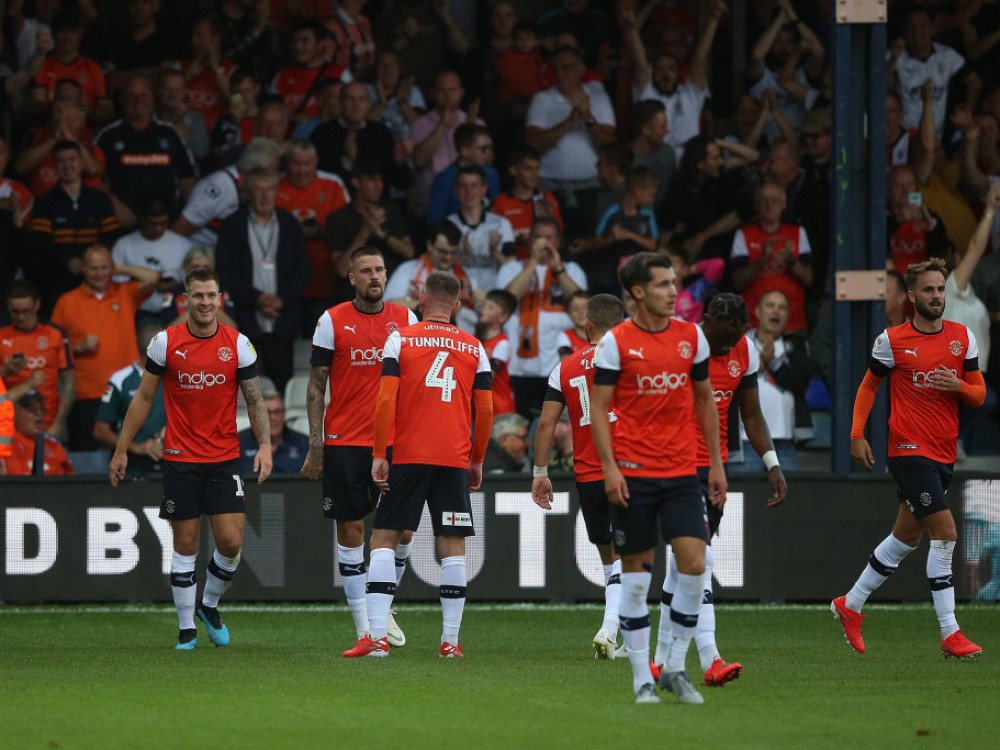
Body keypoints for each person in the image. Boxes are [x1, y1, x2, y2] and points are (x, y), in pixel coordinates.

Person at [109, 266, 272, 649]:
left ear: (220, 299)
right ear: (185, 300)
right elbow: (144, 397)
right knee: (185, 544)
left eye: (211, 295)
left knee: (230, 543)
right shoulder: (165, 343)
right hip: (181, 458)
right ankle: (186, 629)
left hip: (224, 457)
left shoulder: (238, 344)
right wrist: (121, 448)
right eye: (198, 295)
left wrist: (265, 445)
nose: (205, 302)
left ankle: (208, 604)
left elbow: (254, 399)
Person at [589, 252, 726, 705]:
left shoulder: (692, 337)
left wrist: (715, 465)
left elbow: (704, 400)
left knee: (694, 565)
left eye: (673, 282)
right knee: (635, 580)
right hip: (633, 476)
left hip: (683, 472)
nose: (673, 291)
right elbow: (599, 409)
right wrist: (610, 467)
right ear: (638, 292)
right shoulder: (616, 343)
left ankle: (674, 667)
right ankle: (640, 680)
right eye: (664, 284)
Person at [834, 257, 986, 660]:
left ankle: (850, 604)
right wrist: (856, 434)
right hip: (907, 451)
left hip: (942, 453)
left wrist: (958, 386)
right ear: (912, 297)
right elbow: (868, 387)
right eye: (929, 290)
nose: (937, 296)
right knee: (946, 532)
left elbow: (979, 394)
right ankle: (951, 632)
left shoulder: (962, 337)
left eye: (940, 289)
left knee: (906, 538)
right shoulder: (892, 340)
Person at [341, 270, 494, 658]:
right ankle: (451, 643)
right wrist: (477, 459)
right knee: (453, 546)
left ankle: (376, 638)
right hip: (454, 459)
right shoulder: (475, 347)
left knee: (384, 539)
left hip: (409, 455)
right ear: (456, 305)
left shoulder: (400, 339)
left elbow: (385, 400)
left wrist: (379, 453)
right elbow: (486, 410)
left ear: (422, 299)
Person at [649, 292, 787, 688]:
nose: (727, 347)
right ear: (705, 321)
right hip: (674, 468)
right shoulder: (678, 347)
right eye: (722, 338)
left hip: (713, 470)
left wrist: (772, 463)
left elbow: (751, 414)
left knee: (684, 566)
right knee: (701, 560)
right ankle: (711, 658)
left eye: (734, 339)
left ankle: (660, 661)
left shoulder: (743, 350)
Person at [300, 246, 417, 650]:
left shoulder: (406, 319)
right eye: (365, 271)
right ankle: (365, 628)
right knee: (351, 531)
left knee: (404, 530)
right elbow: (316, 385)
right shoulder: (332, 320)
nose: (374, 276)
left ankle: (383, 606)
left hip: (395, 440)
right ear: (351, 278)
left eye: (379, 269)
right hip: (345, 441)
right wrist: (316, 444)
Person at [532, 292, 626, 658]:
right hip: (626, 469)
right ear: (623, 325)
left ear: (588, 326)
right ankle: (610, 628)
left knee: (609, 557)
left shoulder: (565, 367)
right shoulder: (632, 357)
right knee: (630, 556)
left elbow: (546, 424)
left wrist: (540, 471)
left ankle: (614, 633)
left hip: (587, 475)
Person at [51, 244, 159, 450]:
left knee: (129, 453)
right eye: (93, 268)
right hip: (86, 394)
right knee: (87, 458)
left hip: (125, 391)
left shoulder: (124, 292)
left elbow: (153, 278)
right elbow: (52, 347)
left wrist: (119, 269)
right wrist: (79, 347)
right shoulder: (67, 301)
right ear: (83, 268)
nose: (99, 274)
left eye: (104, 268)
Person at [214, 168, 310, 395]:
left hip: (282, 317)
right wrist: (256, 298)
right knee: (248, 386)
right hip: (246, 318)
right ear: (247, 194)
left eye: (270, 189)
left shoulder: (289, 223)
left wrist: (281, 300)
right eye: (259, 190)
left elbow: (303, 270)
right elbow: (224, 272)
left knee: (282, 386)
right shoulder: (232, 225)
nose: (265, 196)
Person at [498, 218, 586, 419]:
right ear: (529, 240)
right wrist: (532, 263)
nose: (544, 243)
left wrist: (558, 269)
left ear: (558, 241)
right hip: (517, 367)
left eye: (549, 238)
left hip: (557, 366)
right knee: (518, 423)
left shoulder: (572, 269)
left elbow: (581, 303)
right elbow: (506, 302)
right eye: (538, 237)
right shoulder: (511, 268)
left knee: (554, 426)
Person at [525, 46, 616, 239]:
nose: (560, 74)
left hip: (591, 190)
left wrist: (587, 117)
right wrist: (569, 122)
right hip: (550, 189)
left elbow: (609, 144)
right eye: (555, 69)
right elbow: (533, 144)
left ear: (581, 69)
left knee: (589, 243)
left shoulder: (599, 99)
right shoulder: (542, 99)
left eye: (566, 68)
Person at [623, 0, 722, 162]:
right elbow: (641, 64)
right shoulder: (647, 94)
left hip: (689, 164)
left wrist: (713, 20)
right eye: (660, 69)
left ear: (679, 74)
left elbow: (700, 59)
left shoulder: (690, 94)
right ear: (653, 74)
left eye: (671, 69)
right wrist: (632, 29)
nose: (665, 73)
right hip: (654, 162)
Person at [30, 140, 119, 312]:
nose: (67, 165)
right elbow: (40, 245)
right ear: (55, 166)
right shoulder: (44, 202)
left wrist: (93, 262)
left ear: (81, 163)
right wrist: (67, 262)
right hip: (58, 281)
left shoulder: (100, 199)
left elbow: (112, 238)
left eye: (72, 159)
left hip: (96, 278)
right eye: (61, 161)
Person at [731, 181, 813, 332]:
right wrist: (762, 259)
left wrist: (790, 260)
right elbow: (737, 282)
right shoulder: (743, 234)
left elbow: (808, 279)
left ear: (784, 204)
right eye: (764, 200)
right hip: (754, 323)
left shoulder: (798, 233)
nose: (769, 205)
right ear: (756, 205)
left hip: (793, 322)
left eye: (775, 200)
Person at [326, 161, 415, 291]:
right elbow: (342, 270)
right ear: (356, 182)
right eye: (372, 179)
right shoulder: (338, 218)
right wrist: (365, 232)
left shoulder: (390, 211)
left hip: (389, 291)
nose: (379, 185)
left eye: (380, 180)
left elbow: (409, 252)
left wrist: (383, 235)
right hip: (355, 294)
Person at [0, 280, 74, 435]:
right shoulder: (1, 336)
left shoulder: (55, 334)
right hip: (9, 422)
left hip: (47, 422)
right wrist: (5, 371)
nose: (21, 317)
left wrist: (58, 424)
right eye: (15, 312)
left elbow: (69, 381)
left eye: (26, 311)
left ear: (37, 305)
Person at [92, 325, 166, 477]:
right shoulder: (120, 380)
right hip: (130, 470)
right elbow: (100, 431)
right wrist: (135, 447)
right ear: (154, 350)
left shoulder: (176, 377)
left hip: (171, 468)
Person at [111, 194, 192, 327]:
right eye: (153, 224)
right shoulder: (124, 245)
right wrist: (146, 284)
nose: (158, 229)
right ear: (142, 219)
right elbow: (116, 286)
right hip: (139, 315)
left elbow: (196, 281)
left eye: (163, 223)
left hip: (178, 316)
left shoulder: (184, 245)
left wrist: (175, 284)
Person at [384, 220, 476, 332]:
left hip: (454, 337)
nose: (448, 257)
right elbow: (389, 303)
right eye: (443, 252)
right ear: (429, 245)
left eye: (453, 252)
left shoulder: (463, 276)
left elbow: (475, 314)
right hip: (415, 335)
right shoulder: (408, 269)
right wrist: (424, 305)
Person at [447, 166, 516, 292]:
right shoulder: (448, 224)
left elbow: (514, 269)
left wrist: (495, 251)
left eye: (474, 186)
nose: (469, 192)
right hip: (460, 296)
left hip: (494, 296)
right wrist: (464, 256)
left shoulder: (501, 224)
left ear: (484, 190)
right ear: (455, 190)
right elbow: (439, 268)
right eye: (463, 186)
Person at [491, 144, 563, 258]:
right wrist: (520, 240)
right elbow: (494, 241)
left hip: (544, 261)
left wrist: (548, 219)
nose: (534, 174)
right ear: (514, 170)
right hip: (513, 262)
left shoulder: (547, 198)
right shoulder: (500, 202)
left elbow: (561, 241)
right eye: (528, 169)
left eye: (537, 168)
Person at [425, 123, 501, 226]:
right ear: (464, 151)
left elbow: (497, 212)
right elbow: (435, 221)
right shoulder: (445, 180)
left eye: (489, 148)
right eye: (483, 149)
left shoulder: (492, 174)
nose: (488, 153)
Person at [238, 387, 308, 475]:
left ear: (284, 414)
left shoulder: (304, 444)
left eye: (278, 411)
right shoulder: (238, 444)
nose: (273, 418)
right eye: (267, 412)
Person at [5, 390, 74, 475]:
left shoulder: (54, 446)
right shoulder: (5, 444)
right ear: (14, 412)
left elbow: (72, 477)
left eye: (42, 409)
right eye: (32, 409)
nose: (39, 413)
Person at [477, 288, 517, 416]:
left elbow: (488, 377)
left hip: (500, 410)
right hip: (484, 408)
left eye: (490, 307)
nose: (483, 309)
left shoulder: (502, 344)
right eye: (483, 305)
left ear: (503, 317)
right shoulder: (477, 339)